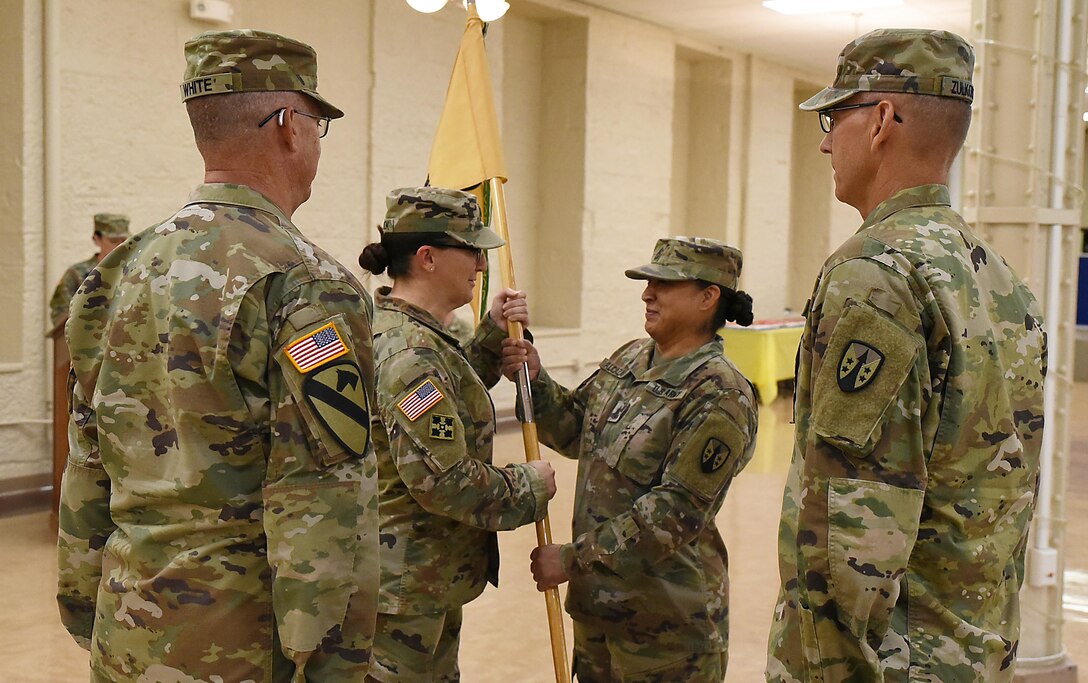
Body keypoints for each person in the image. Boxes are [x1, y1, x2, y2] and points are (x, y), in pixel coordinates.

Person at [57, 29, 380, 680]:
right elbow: (322, 502)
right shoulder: (304, 283)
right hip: (240, 645)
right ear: (290, 126)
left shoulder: (116, 272)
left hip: (127, 629)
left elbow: (87, 461)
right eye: (319, 122)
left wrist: (82, 601)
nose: (318, 141)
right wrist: (331, 664)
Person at [766, 29, 1047, 682]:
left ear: (883, 120)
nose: (825, 140)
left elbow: (850, 534)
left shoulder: (877, 272)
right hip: (973, 652)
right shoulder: (1003, 279)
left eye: (836, 117)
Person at [503, 237, 759, 683]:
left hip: (666, 631)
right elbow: (571, 427)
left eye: (664, 284)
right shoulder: (629, 360)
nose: (647, 293)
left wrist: (572, 560)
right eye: (647, 282)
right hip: (601, 616)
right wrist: (535, 377)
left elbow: (674, 514)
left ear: (707, 297)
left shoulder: (719, 393)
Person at [358, 186, 557, 683]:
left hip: (422, 578)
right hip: (407, 588)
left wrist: (490, 337)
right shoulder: (411, 357)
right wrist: (529, 487)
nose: (482, 267)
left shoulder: (407, 334)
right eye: (471, 251)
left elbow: (447, 397)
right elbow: (444, 481)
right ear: (428, 257)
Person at [47, 213, 129, 329]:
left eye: (124, 240)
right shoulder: (76, 274)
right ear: (97, 239)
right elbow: (59, 314)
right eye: (113, 240)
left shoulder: (136, 271)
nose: (120, 245)